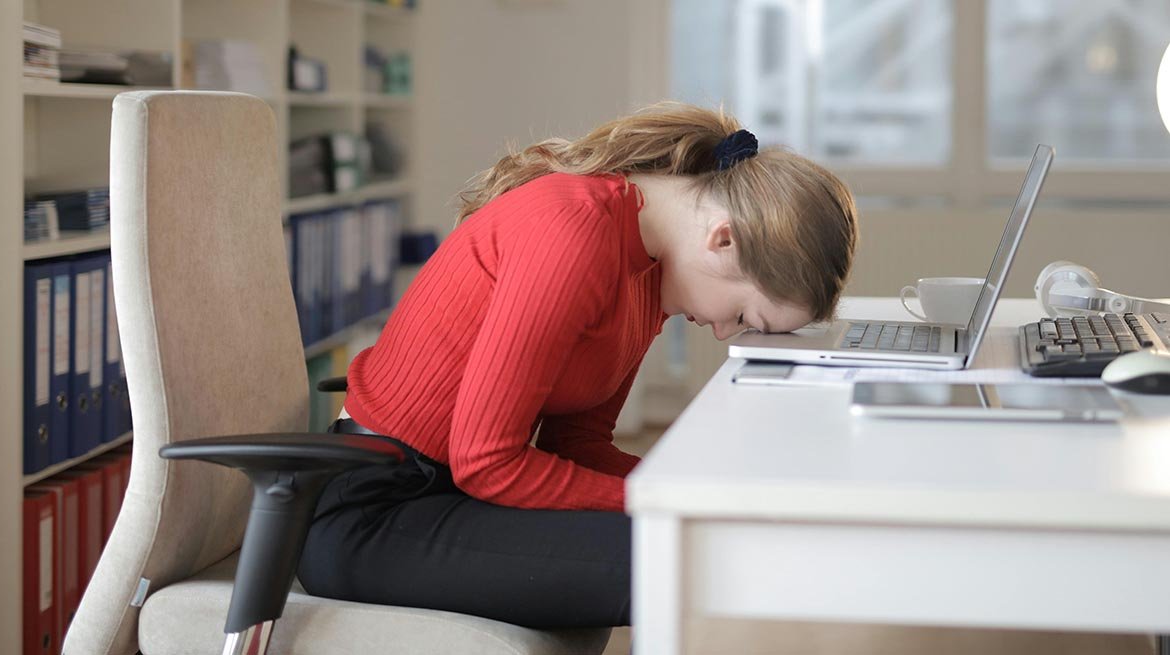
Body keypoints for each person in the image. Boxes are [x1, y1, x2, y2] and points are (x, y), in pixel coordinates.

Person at [296, 102, 859, 629]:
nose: (723, 331)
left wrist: (697, 490)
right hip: (375, 514)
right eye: (742, 314)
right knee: (691, 560)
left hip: (451, 497)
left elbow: (579, 444)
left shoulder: (649, 273)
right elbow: (487, 462)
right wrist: (669, 499)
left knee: (705, 540)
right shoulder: (575, 229)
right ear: (725, 239)